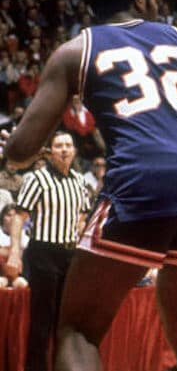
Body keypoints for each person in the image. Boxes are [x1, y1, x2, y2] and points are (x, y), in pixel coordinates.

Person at [0, 0, 177, 371]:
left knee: (77, 331)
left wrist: (14, 141)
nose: (158, 2)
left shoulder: (76, 50)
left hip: (141, 182)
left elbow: (21, 150)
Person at [3, 131, 93, 371]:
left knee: (65, 323)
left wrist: (81, 240)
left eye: (67, 145)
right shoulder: (37, 179)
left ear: (74, 151)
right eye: (58, 145)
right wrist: (14, 252)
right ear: (50, 150)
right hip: (43, 252)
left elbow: (83, 216)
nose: (63, 149)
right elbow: (20, 217)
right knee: (42, 322)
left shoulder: (79, 181)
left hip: (69, 254)